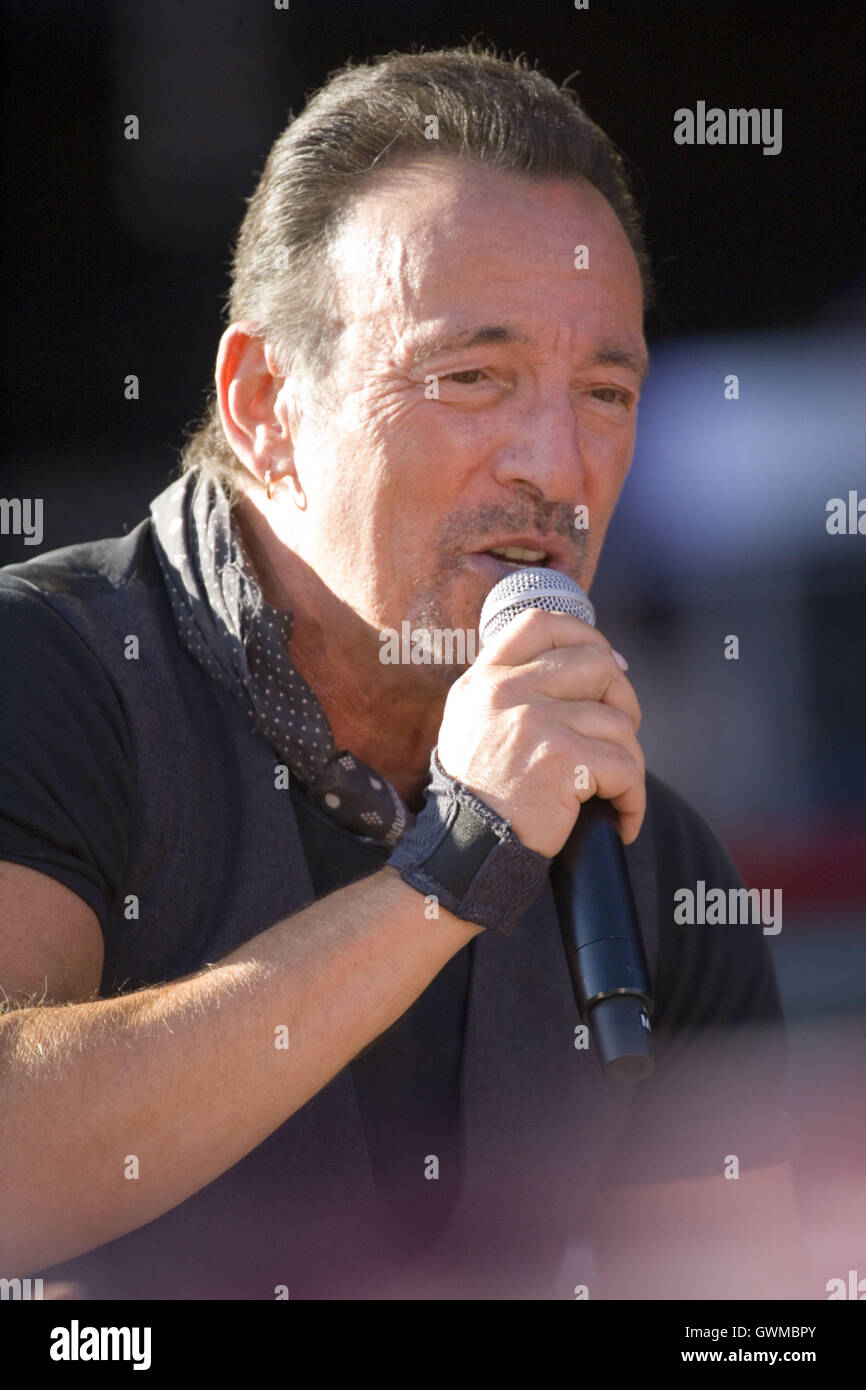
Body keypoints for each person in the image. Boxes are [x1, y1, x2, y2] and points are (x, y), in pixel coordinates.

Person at [0, 46, 805, 1301]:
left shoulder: (643, 854)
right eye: (470, 377)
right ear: (265, 404)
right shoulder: (53, 676)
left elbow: (735, 1322)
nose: (553, 462)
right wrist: (450, 868)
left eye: (604, 389)